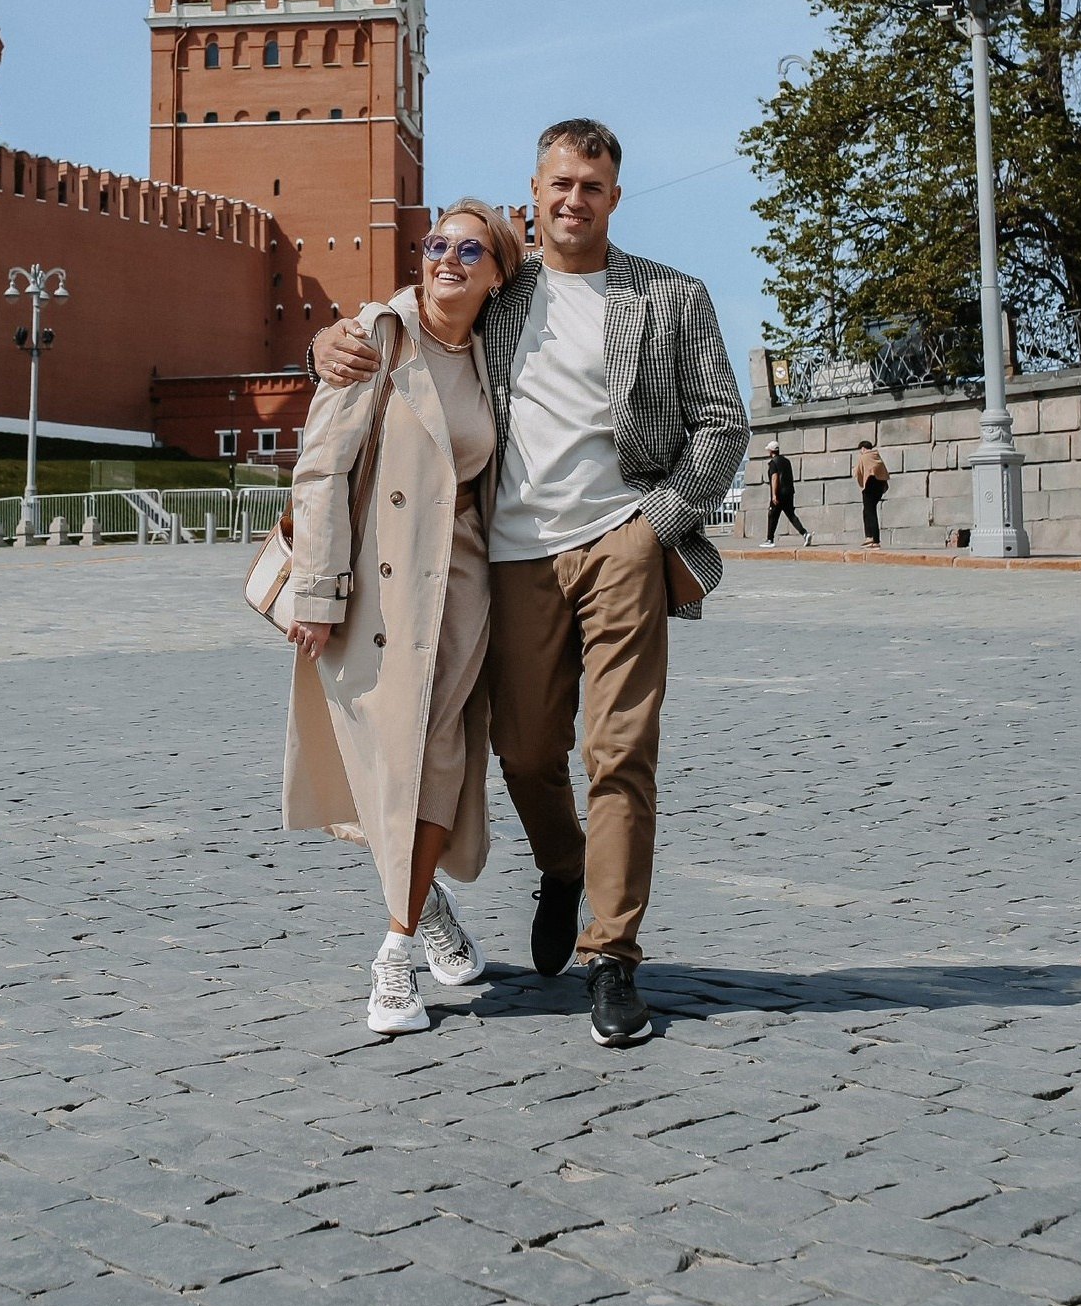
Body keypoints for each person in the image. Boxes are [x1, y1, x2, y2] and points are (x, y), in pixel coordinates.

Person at [310, 120, 747, 1049]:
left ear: (614, 197)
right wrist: (336, 339)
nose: (573, 199)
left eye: (591, 185)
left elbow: (722, 424)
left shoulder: (669, 297)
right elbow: (428, 301)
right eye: (559, 183)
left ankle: (612, 959)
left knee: (619, 752)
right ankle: (562, 862)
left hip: (623, 544)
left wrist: (655, 525)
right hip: (512, 558)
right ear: (536, 191)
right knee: (521, 749)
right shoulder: (506, 298)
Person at [284, 199, 523, 1036]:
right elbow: (321, 468)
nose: (446, 259)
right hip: (382, 589)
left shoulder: (498, 353)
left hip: (461, 588)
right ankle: (424, 912)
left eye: (469, 249)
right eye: (435, 244)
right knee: (384, 763)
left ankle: (392, 954)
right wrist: (315, 590)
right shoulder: (376, 338)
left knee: (438, 756)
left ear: (498, 273)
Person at [760, 439, 811, 547]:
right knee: (791, 515)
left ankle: (769, 540)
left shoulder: (773, 463)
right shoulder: (786, 461)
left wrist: (774, 494)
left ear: (771, 451)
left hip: (779, 493)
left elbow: (774, 478)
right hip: (789, 492)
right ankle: (805, 533)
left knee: (772, 515)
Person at [854, 438, 890, 548]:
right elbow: (883, 471)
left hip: (869, 485)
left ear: (863, 448)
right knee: (869, 511)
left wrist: (862, 483)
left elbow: (858, 472)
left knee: (869, 512)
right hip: (879, 486)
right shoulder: (876, 456)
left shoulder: (863, 457)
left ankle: (873, 539)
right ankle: (871, 538)